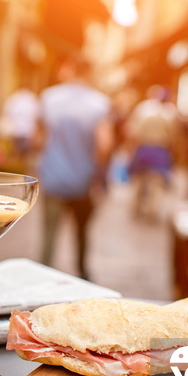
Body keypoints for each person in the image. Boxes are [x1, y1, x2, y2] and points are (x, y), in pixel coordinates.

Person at [37, 55, 113, 281]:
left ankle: (41, 273)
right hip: (82, 181)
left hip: (52, 177)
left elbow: (38, 139)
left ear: (69, 70)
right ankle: (82, 274)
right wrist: (99, 176)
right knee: (81, 231)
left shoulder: (48, 97)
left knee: (49, 232)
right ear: (89, 73)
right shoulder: (99, 103)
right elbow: (104, 145)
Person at [125, 85, 183, 220]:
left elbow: (132, 130)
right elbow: (174, 135)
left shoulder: (142, 109)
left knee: (139, 180)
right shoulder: (170, 113)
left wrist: (131, 147)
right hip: (160, 150)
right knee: (157, 183)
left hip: (143, 148)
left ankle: (135, 206)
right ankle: (152, 210)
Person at [1, 86, 40, 157]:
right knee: (22, 150)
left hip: (18, 129)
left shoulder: (14, 98)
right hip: (25, 130)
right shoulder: (32, 99)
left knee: (16, 148)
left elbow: (7, 112)